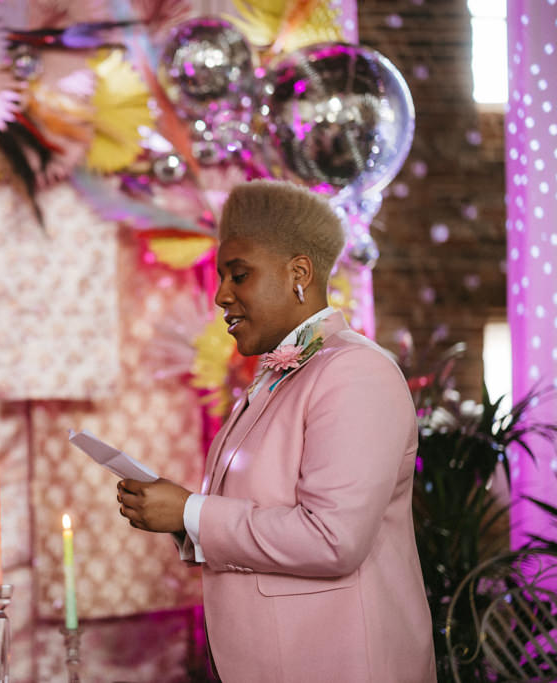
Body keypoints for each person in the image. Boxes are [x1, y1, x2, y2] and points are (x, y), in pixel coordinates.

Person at [116, 180, 435, 682]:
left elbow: (333, 539)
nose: (221, 295)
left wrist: (190, 511)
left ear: (298, 273)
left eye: (238, 275)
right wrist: (181, 521)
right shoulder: (277, 374)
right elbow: (262, 516)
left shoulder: (355, 373)